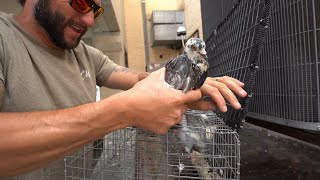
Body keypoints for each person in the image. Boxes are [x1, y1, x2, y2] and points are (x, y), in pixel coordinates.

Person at [0, 0, 247, 179]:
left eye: (95, 9)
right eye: (82, 2)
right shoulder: (5, 38)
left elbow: (137, 77)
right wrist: (125, 111)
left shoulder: (85, 54)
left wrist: (178, 86)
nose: (89, 20)